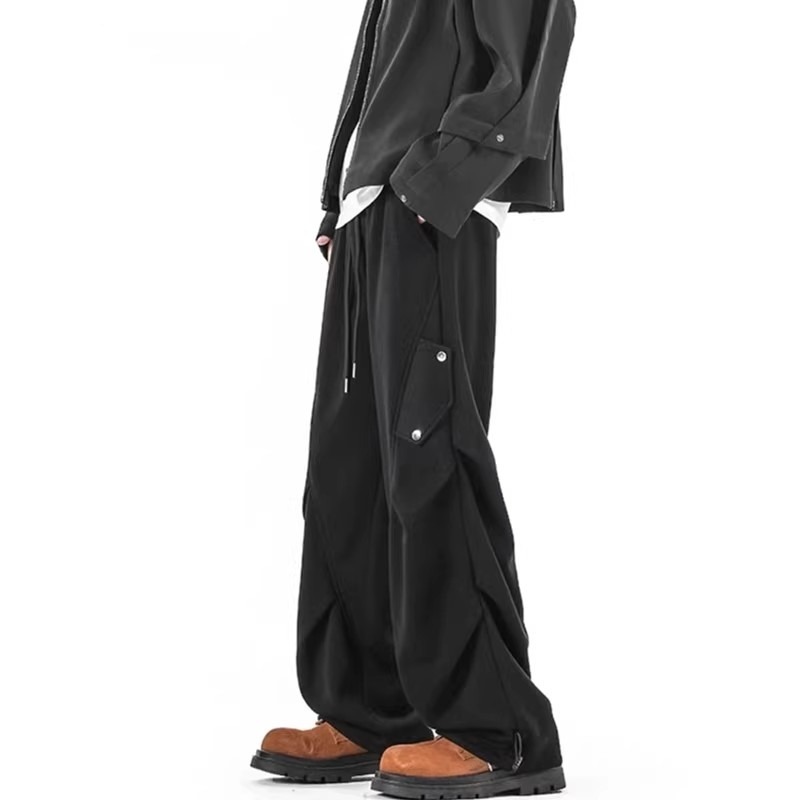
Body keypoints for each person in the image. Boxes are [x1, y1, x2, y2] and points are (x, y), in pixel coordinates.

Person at [251, 2, 576, 797]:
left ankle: (499, 730)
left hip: (430, 208)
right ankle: (371, 710)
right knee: (350, 471)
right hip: (372, 209)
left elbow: (534, 43)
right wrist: (341, 199)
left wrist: (438, 179)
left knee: (433, 458)